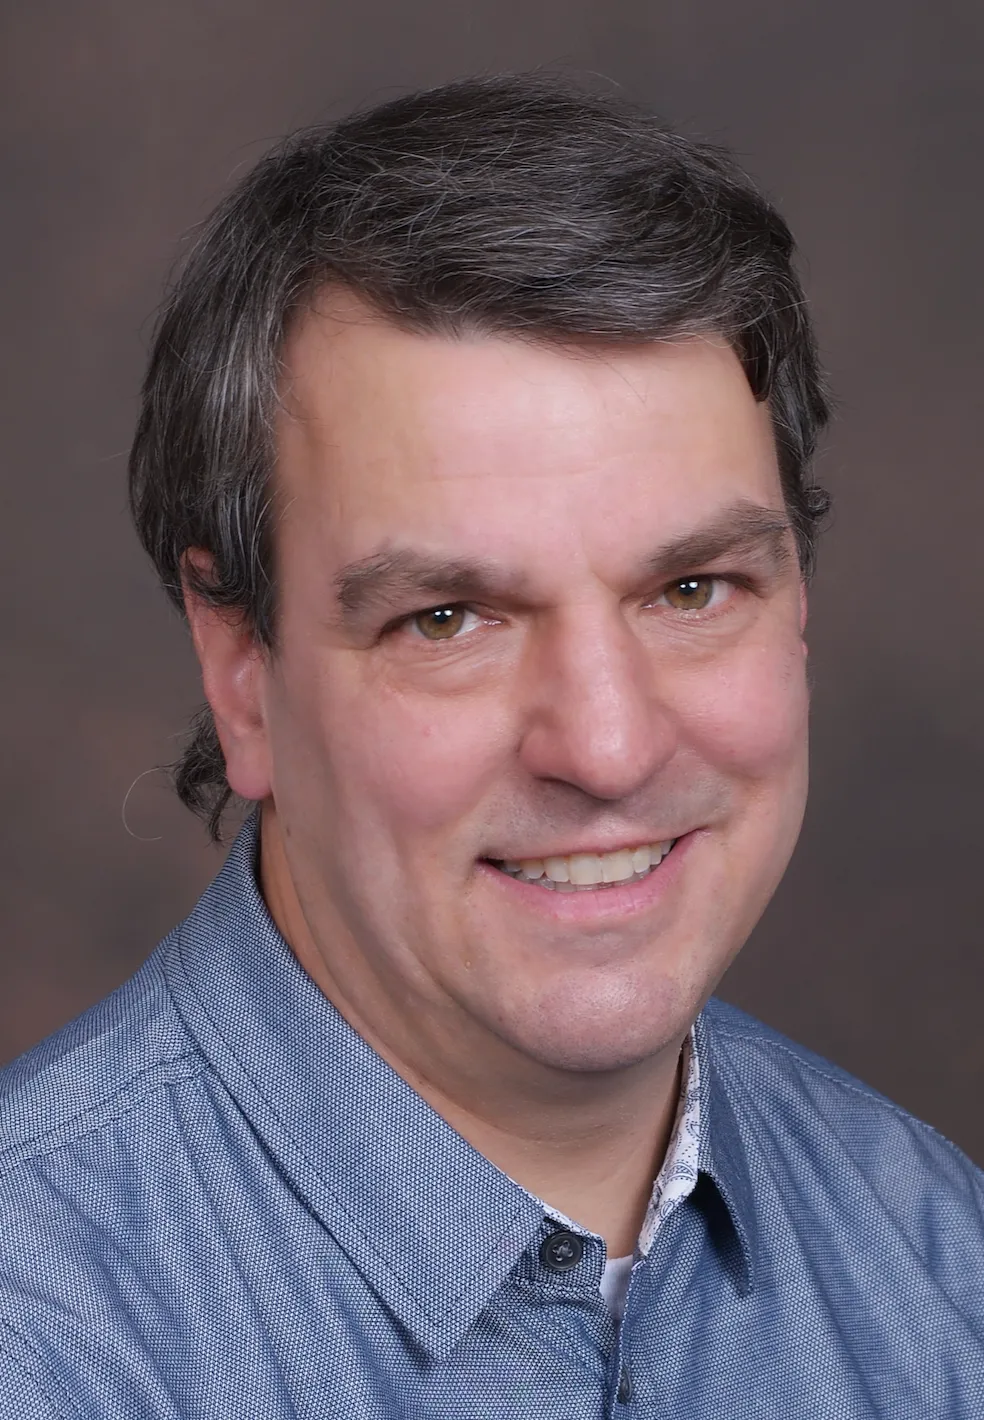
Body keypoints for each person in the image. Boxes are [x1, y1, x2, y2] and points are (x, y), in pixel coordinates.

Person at [1, 73, 981, 1420]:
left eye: (691, 590)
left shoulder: (943, 1261)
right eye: (448, 617)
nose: (610, 744)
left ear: (798, 605)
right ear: (242, 673)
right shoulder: (40, 1341)